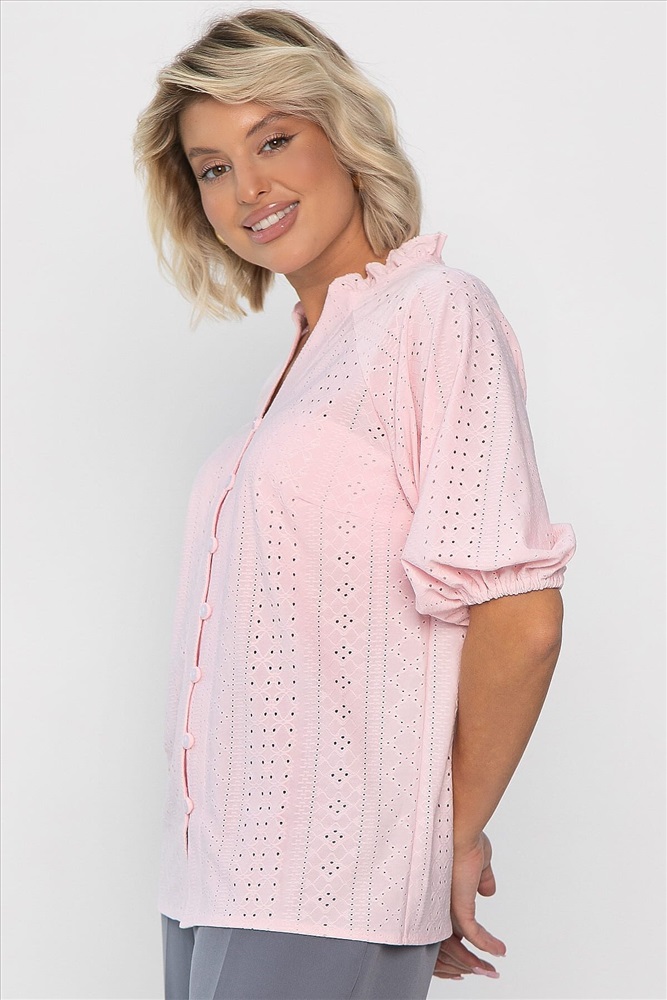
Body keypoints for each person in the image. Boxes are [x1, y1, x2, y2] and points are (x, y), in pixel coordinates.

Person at [133, 8, 576, 999]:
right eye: (212, 167)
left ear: (343, 133)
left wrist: (451, 834)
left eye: (273, 141)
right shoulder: (308, 355)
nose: (247, 189)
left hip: (325, 881)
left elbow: (520, 615)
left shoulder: (434, 311)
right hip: (211, 876)